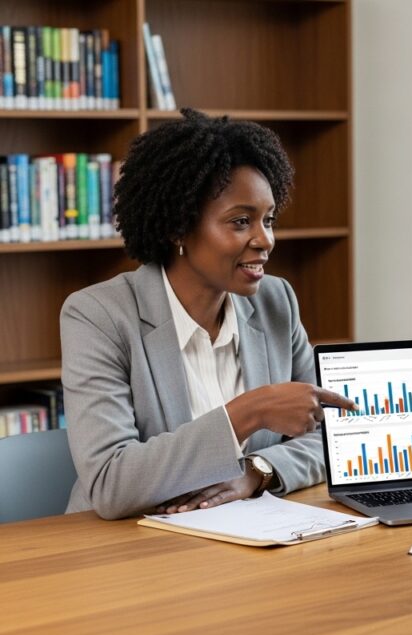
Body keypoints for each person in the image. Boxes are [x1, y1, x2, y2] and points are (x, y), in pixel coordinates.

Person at [61, 108, 355, 520]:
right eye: (240, 222)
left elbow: (334, 437)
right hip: (127, 547)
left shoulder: (276, 302)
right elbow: (112, 482)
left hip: (248, 534)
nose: (265, 240)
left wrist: (257, 472)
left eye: (268, 220)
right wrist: (248, 413)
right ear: (178, 228)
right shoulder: (99, 316)